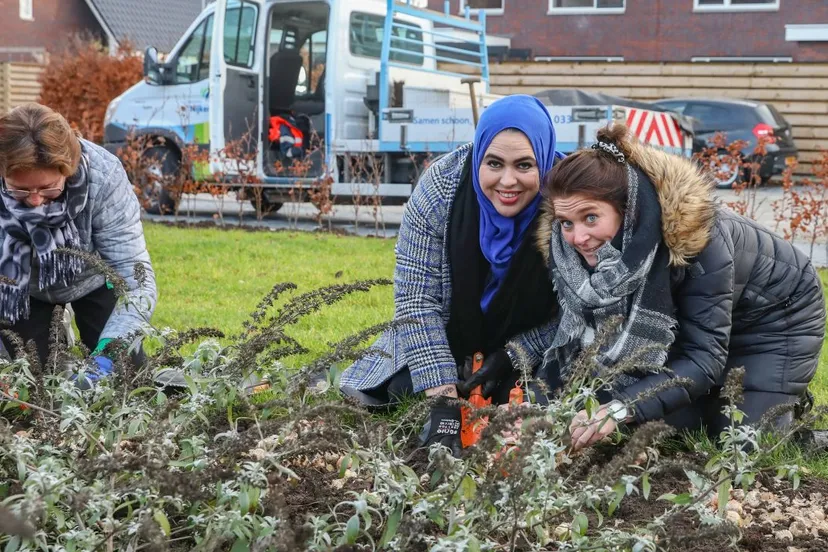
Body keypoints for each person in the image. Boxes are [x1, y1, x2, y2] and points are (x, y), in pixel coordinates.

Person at [532, 124, 824, 451]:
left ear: (627, 210)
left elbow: (703, 357)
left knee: (743, 443)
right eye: (567, 222)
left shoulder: (697, 240)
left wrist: (619, 408)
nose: (577, 238)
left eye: (590, 218)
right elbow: (573, 331)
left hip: (774, 322)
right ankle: (729, 396)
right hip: (703, 321)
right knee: (649, 421)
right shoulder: (574, 250)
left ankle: (784, 408)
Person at [339, 95, 564, 455]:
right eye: (494, 163)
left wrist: (514, 355)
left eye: (524, 165)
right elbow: (416, 298)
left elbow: (577, 308)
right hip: (448, 334)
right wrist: (445, 404)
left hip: (532, 341)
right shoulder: (439, 189)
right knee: (403, 385)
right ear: (478, 158)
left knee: (523, 398)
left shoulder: (567, 197)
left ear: (545, 158)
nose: (508, 181)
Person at [0, 103, 156, 385]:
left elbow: (137, 281)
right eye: (20, 190)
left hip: (94, 278)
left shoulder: (104, 176)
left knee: (127, 375)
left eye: (48, 188)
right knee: (29, 383)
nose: (35, 200)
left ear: (68, 169)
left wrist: (109, 355)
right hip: (19, 288)